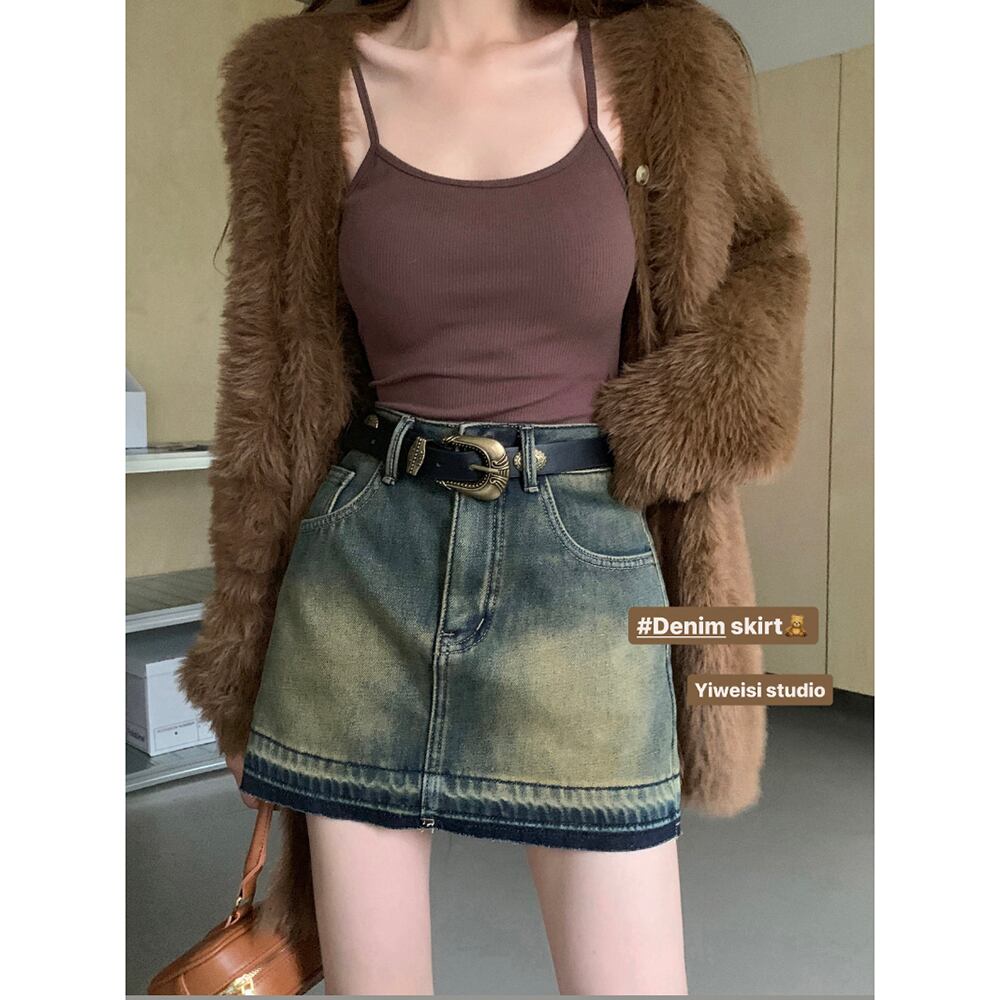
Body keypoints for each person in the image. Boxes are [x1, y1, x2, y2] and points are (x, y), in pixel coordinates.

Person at [179, 0, 810, 994]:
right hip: (360, 576)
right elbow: (274, 386)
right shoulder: (301, 79)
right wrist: (243, 658)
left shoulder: (663, 62)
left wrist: (681, 419)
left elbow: (766, 260)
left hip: (585, 569)